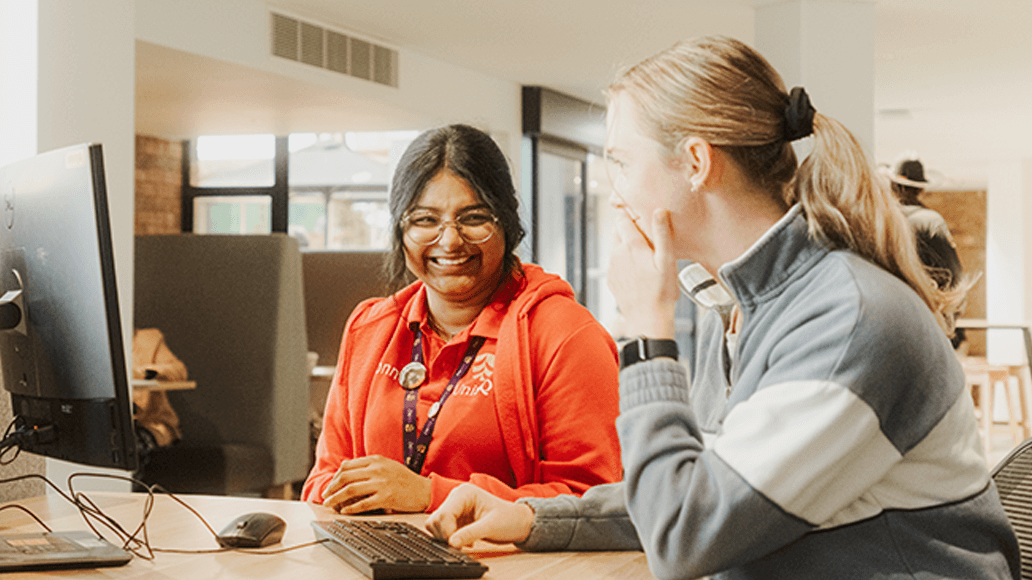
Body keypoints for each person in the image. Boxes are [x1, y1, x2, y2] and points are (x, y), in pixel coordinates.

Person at [425, 37, 1020, 580]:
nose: (616, 190)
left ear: (695, 162)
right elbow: (698, 493)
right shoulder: (734, 307)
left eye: (622, 161)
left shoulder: (848, 320)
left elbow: (686, 538)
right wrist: (530, 518)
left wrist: (645, 333)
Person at [301, 124, 623, 514]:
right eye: (424, 220)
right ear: (400, 230)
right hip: (376, 562)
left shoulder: (565, 335)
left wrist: (427, 496)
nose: (450, 241)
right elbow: (323, 480)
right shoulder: (371, 328)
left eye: (473, 218)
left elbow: (595, 505)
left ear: (508, 223)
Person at [889, 156, 968, 348]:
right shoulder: (930, 221)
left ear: (892, 185)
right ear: (921, 188)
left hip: (887, 315)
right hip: (924, 319)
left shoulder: (879, 222)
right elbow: (955, 278)